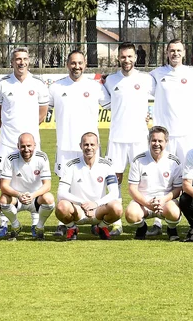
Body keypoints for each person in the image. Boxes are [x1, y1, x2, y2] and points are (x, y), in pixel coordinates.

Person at [150, 38, 193, 232]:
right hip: (164, 137)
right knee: (162, 177)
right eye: (171, 50)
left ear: (184, 52)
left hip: (186, 135)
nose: (175, 53)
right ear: (167, 53)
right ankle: (159, 220)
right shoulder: (156, 74)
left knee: (191, 177)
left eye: (178, 50)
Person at [49, 50, 112, 235]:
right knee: (65, 185)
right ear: (67, 64)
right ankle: (67, 223)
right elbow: (42, 107)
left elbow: (114, 105)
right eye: (73, 63)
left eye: (80, 63)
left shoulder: (96, 87)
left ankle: (96, 219)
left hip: (90, 146)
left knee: (94, 182)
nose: (77, 66)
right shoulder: (55, 87)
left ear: (85, 65)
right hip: (65, 146)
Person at [0, 47, 49, 237]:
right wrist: (8, 129)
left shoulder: (38, 84)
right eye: (17, 59)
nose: (21, 62)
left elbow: (42, 113)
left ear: (29, 61)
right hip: (7, 142)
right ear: (11, 62)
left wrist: (28, 133)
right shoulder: (2, 84)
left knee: (34, 178)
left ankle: (34, 221)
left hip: (31, 142)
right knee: (4, 182)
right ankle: (5, 222)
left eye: (24, 59)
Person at [101, 43, 155, 235]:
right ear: (119, 58)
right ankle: (116, 223)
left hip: (139, 137)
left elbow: (162, 98)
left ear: (136, 58)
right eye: (123, 57)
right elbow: (106, 103)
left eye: (130, 57)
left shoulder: (147, 79)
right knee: (115, 179)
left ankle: (151, 217)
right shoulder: (110, 81)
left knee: (145, 179)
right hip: (117, 138)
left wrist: (151, 115)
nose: (127, 60)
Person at [55, 132, 123, 240]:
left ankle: (101, 227)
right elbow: (61, 193)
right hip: (78, 210)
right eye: (86, 144)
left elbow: (114, 193)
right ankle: (72, 228)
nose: (89, 148)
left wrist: (95, 204)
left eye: (92, 145)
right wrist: (82, 203)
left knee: (117, 207)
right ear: (80, 146)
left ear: (98, 146)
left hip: (98, 210)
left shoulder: (107, 165)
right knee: (61, 206)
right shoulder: (70, 165)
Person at [125, 126, 183, 241]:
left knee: (174, 212)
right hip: (144, 202)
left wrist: (163, 200)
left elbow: (178, 189)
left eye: (160, 141)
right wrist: (147, 203)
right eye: (154, 140)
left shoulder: (173, 161)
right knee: (131, 214)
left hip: (165, 202)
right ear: (149, 141)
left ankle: (171, 228)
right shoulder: (138, 160)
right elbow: (132, 188)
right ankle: (142, 227)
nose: (156, 144)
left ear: (166, 142)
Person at [0, 133, 55, 240]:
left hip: (35, 198)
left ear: (35, 145)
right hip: (17, 199)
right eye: (23, 146)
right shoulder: (10, 158)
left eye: (29, 146)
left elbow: (47, 185)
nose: (26, 149)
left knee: (49, 198)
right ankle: (15, 225)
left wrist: (33, 195)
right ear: (18, 146)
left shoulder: (42, 157)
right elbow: (4, 186)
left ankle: (39, 226)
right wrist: (19, 195)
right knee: (3, 199)